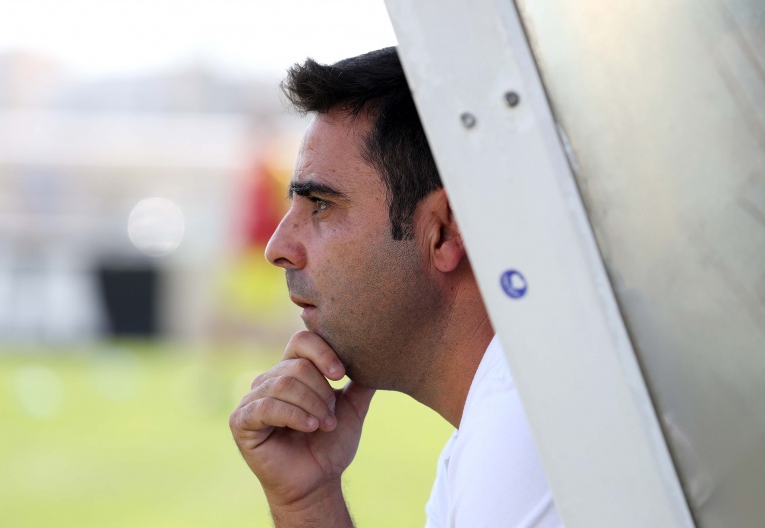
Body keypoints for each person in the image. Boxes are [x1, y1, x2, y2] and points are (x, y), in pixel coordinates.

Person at [229, 46, 562, 527]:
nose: (278, 248)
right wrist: (307, 502)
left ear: (443, 231)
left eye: (320, 204)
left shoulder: (521, 436)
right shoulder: (503, 413)